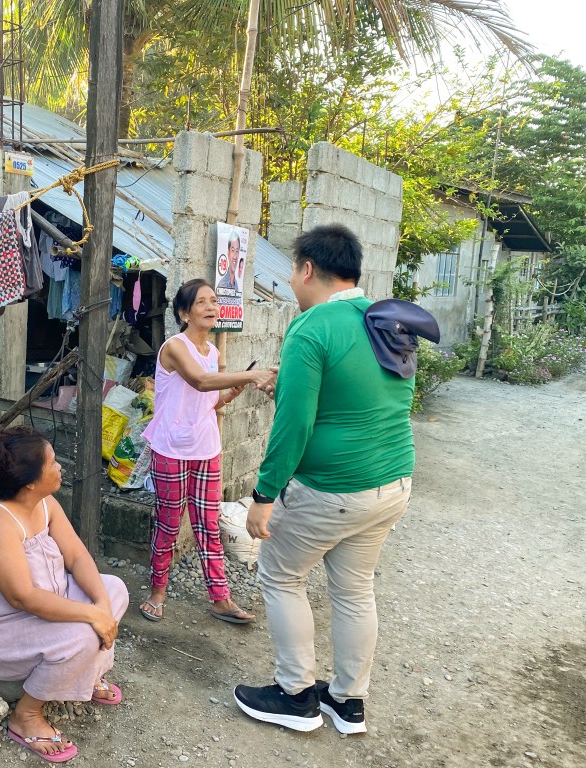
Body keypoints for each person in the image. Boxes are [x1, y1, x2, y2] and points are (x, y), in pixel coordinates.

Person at [233, 224, 415, 735]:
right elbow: (365, 400)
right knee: (354, 589)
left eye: (293, 271)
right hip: (392, 481)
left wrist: (264, 494)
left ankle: (295, 695)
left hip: (333, 487)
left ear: (308, 269)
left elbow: (294, 424)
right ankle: (348, 702)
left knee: (281, 576)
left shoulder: (311, 327)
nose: (292, 281)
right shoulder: (387, 321)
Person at [0, 426, 129, 764]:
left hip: (47, 602)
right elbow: (23, 598)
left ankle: (87, 673)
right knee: (83, 633)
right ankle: (26, 715)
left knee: (114, 589)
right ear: (29, 482)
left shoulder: (44, 502)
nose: (59, 467)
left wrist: (102, 606)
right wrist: (93, 615)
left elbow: (76, 556)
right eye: (52, 463)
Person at [138, 279, 277, 624]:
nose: (212, 306)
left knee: (208, 525)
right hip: (172, 449)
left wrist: (231, 392)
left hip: (206, 448)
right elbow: (200, 382)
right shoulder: (175, 347)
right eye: (202, 302)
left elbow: (208, 400)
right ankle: (157, 591)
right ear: (184, 313)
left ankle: (220, 599)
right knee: (169, 524)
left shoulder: (212, 352)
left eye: (214, 301)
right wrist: (252, 376)